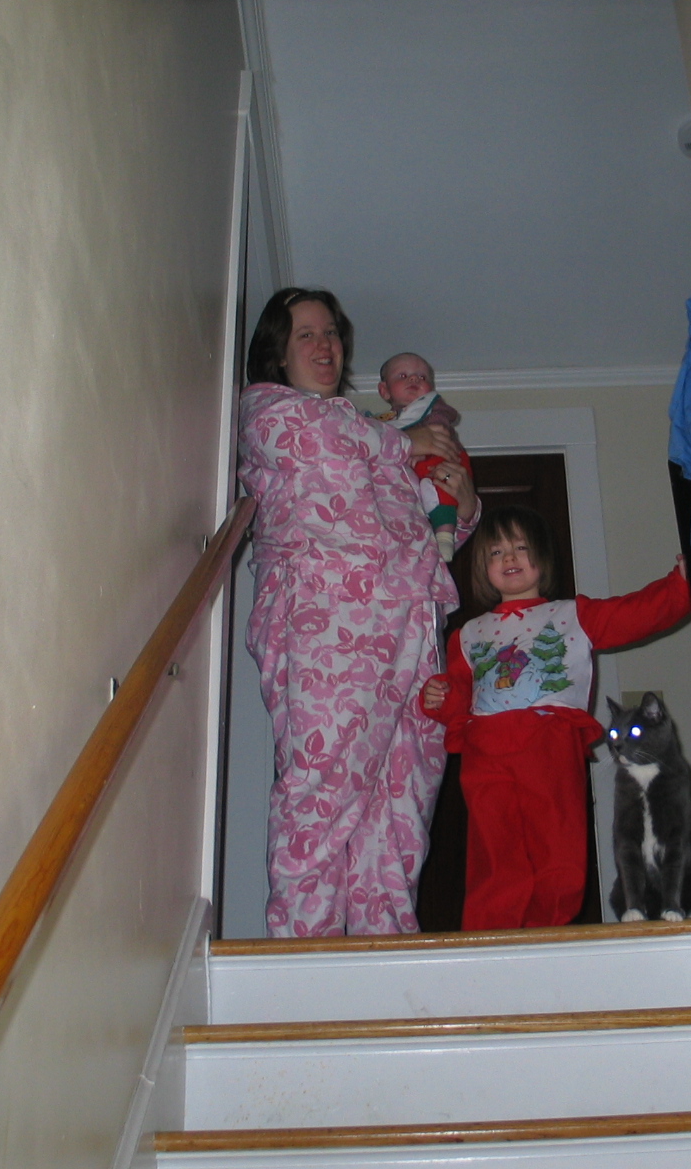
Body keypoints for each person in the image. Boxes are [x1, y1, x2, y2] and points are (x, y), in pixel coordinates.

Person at [238, 287, 478, 937]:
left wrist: (462, 501)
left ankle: (383, 953)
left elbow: (422, 514)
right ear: (278, 353)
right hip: (329, 621)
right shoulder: (269, 411)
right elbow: (326, 446)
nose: (325, 345)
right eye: (306, 335)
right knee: (321, 790)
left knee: (400, 805)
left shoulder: (371, 431)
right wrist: (404, 440)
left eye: (331, 334)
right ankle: (304, 960)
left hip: (411, 627)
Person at [420, 505, 690, 931]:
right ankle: (491, 935)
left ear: (542, 558)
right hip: (487, 750)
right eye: (496, 552)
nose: (509, 558)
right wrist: (440, 696)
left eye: (520, 548)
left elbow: (635, 613)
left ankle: (547, 930)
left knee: (557, 841)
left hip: (549, 745)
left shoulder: (572, 615)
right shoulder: (467, 634)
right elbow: (459, 696)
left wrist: (680, 585)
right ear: (483, 567)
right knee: (494, 845)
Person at [375, 352, 472, 562]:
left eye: (422, 377)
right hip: (410, 499)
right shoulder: (380, 425)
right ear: (384, 390)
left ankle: (444, 535)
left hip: (442, 458)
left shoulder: (433, 408)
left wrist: (421, 448)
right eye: (402, 376)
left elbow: (439, 428)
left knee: (443, 486)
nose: (414, 379)